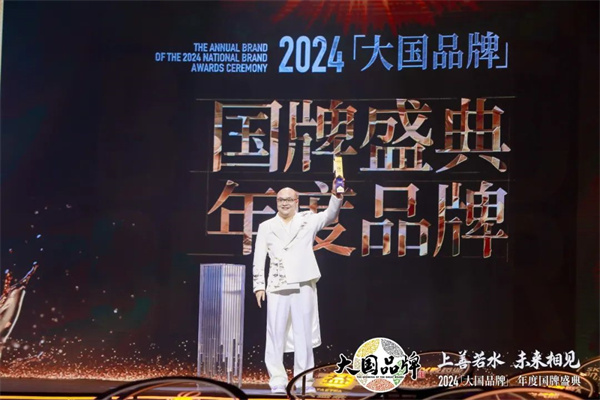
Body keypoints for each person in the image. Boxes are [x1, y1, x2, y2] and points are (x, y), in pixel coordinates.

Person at [253, 184, 343, 394]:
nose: (284, 203)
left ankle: (305, 380)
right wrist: (258, 285)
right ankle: (277, 379)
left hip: (303, 283)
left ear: (296, 201)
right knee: (275, 333)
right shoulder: (266, 226)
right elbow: (259, 257)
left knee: (303, 334)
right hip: (277, 284)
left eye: (288, 199)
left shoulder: (307, 220)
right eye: (280, 200)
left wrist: (337, 195)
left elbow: (330, 215)